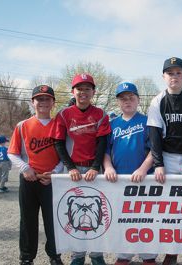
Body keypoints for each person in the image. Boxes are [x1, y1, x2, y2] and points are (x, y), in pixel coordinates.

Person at [147, 57, 182, 265]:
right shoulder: (157, 100)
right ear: (163, 76)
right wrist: (158, 163)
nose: (174, 77)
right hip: (168, 158)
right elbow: (154, 134)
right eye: (170, 73)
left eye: (178, 73)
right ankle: (171, 251)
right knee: (169, 207)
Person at [53, 73, 111, 265]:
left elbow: (102, 143)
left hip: (95, 170)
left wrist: (95, 166)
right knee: (74, 215)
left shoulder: (100, 114)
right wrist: (70, 167)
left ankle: (96, 256)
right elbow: (59, 143)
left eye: (87, 88)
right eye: (79, 88)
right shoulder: (64, 114)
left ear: (93, 92)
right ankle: (77, 256)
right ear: (73, 91)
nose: (83, 92)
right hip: (74, 170)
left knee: (98, 214)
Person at [8, 85, 64, 265]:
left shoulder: (59, 125)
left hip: (52, 181)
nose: (43, 102)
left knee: (53, 221)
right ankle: (26, 257)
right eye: (39, 99)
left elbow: (66, 155)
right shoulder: (22, 126)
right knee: (28, 220)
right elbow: (12, 152)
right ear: (32, 102)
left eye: (47, 99)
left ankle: (54, 255)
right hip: (29, 179)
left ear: (53, 102)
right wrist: (25, 168)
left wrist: (55, 173)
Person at [104, 82, 156, 265]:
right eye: (123, 98)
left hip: (144, 180)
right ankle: (124, 255)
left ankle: (148, 256)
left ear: (138, 100)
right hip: (119, 181)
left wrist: (142, 169)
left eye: (131, 97)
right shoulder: (112, 124)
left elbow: (154, 150)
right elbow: (104, 151)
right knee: (122, 219)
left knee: (145, 219)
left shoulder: (147, 121)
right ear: (118, 102)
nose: (127, 101)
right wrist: (108, 167)